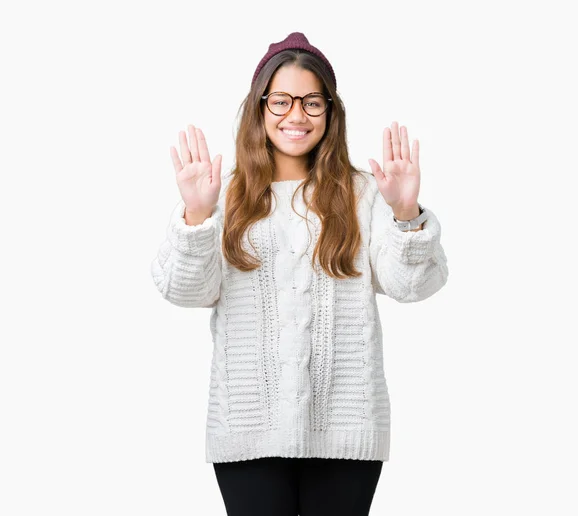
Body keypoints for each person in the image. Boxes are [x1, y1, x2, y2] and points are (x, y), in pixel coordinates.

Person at [151, 31, 449, 516]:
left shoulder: (365, 193)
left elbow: (412, 285)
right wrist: (196, 217)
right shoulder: (221, 195)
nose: (296, 115)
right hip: (249, 428)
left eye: (312, 102)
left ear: (331, 111)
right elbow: (185, 290)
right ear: (260, 107)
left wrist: (406, 211)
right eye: (282, 101)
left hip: (344, 429)